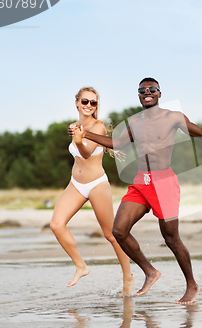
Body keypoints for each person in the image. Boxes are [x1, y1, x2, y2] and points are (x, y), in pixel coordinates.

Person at [69, 77, 202, 304]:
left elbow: (200, 132)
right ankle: (150, 271)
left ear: (159, 93)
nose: (147, 92)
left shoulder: (173, 117)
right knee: (119, 231)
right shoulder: (134, 121)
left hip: (164, 182)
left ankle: (192, 285)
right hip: (141, 182)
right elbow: (118, 143)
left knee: (171, 238)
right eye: (143, 90)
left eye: (152, 89)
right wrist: (85, 134)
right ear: (139, 95)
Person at [50, 86, 134, 296]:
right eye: (85, 101)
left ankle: (128, 277)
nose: (89, 105)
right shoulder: (74, 126)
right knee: (56, 225)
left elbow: (86, 154)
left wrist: (78, 141)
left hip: (97, 183)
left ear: (97, 106)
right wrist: (76, 136)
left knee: (112, 235)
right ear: (77, 103)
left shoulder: (99, 128)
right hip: (75, 184)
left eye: (93, 102)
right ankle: (81, 266)